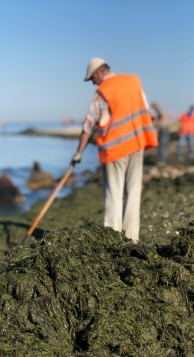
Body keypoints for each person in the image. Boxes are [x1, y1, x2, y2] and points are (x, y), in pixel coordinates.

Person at [71, 57, 158, 242]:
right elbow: (147, 111)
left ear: (99, 73)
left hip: (115, 150)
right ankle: (132, 238)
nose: (93, 83)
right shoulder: (133, 82)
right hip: (136, 143)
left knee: (114, 194)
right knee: (134, 191)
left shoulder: (102, 93)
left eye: (92, 79)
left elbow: (88, 126)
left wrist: (78, 154)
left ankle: (113, 238)